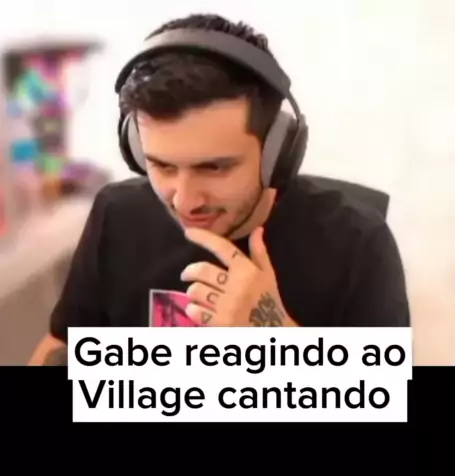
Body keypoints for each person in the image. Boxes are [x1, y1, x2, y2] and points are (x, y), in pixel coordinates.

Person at [28, 12, 410, 366]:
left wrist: (279, 340)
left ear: (277, 152)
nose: (184, 200)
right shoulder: (117, 214)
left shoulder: (357, 242)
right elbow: (60, 346)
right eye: (162, 166)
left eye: (214, 167)